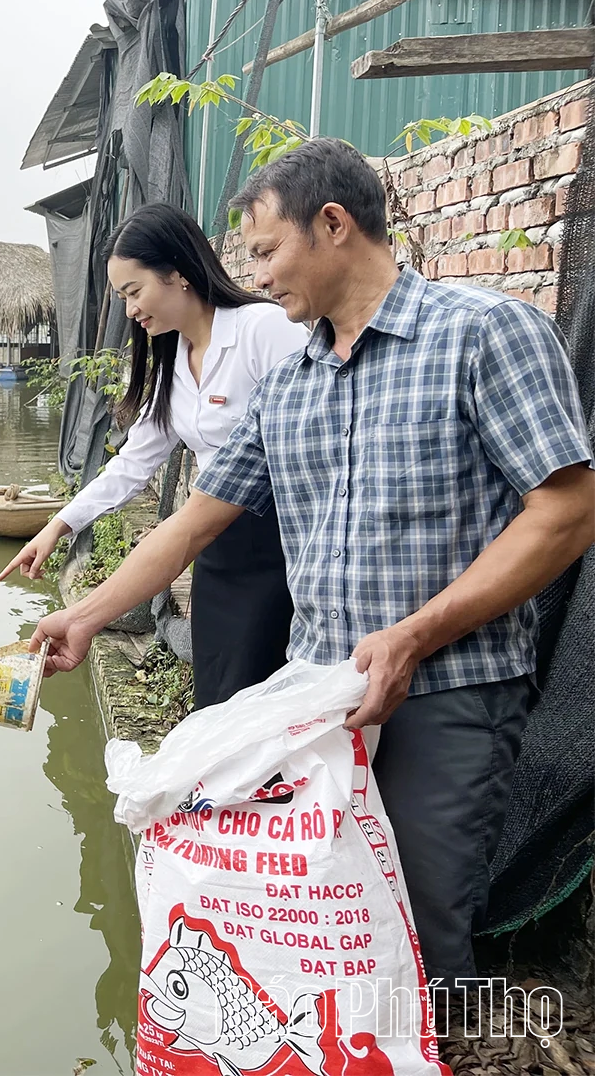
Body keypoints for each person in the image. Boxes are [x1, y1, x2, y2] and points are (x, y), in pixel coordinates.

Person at [29, 138, 595, 985]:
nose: (254, 276)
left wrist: (414, 634)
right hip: (316, 698)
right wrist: (84, 613)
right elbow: (188, 527)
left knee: (423, 920)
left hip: (451, 687)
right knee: (326, 911)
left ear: (333, 224)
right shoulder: (293, 382)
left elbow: (568, 508)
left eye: (265, 251)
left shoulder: (483, 334)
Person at [0, 203, 306, 708]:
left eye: (134, 292)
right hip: (216, 552)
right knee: (218, 698)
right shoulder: (172, 364)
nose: (129, 310)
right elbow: (131, 465)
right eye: (122, 297)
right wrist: (59, 526)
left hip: (283, 546)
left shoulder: (262, 331)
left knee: (268, 703)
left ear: (179, 274)